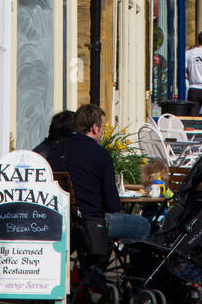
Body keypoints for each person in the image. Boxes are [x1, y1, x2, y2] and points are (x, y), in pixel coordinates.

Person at [62, 103, 150, 241]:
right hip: (93, 223)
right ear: (94, 128)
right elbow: (112, 204)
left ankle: (98, 259)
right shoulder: (100, 154)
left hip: (64, 221)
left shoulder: (59, 150)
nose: (102, 132)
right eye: (102, 127)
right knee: (143, 225)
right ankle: (132, 262)